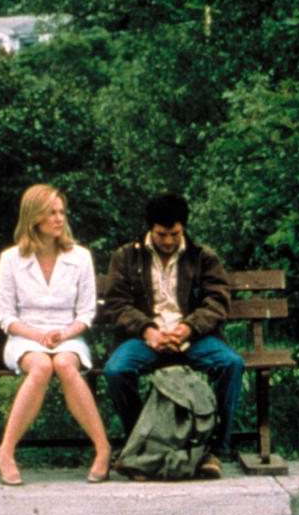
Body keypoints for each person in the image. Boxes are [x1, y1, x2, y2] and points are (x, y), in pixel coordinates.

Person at [102, 192, 244, 479]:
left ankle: (215, 449)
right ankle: (139, 444)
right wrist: (148, 331)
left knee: (231, 364)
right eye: (161, 234)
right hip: (145, 339)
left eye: (174, 234)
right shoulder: (126, 256)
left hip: (193, 337)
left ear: (184, 229)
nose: (168, 241)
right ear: (150, 229)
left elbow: (217, 300)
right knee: (116, 371)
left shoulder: (202, 256)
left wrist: (188, 328)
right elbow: (117, 304)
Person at [0, 184, 111, 485]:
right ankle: (6, 452)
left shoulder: (80, 257)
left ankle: (103, 449)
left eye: (62, 212)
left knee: (64, 364)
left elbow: (86, 313)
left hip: (67, 335)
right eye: (51, 213)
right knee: (42, 366)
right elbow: (5, 316)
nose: (59, 219)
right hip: (24, 336)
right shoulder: (10, 259)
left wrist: (65, 333)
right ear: (34, 218)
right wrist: (35, 335)